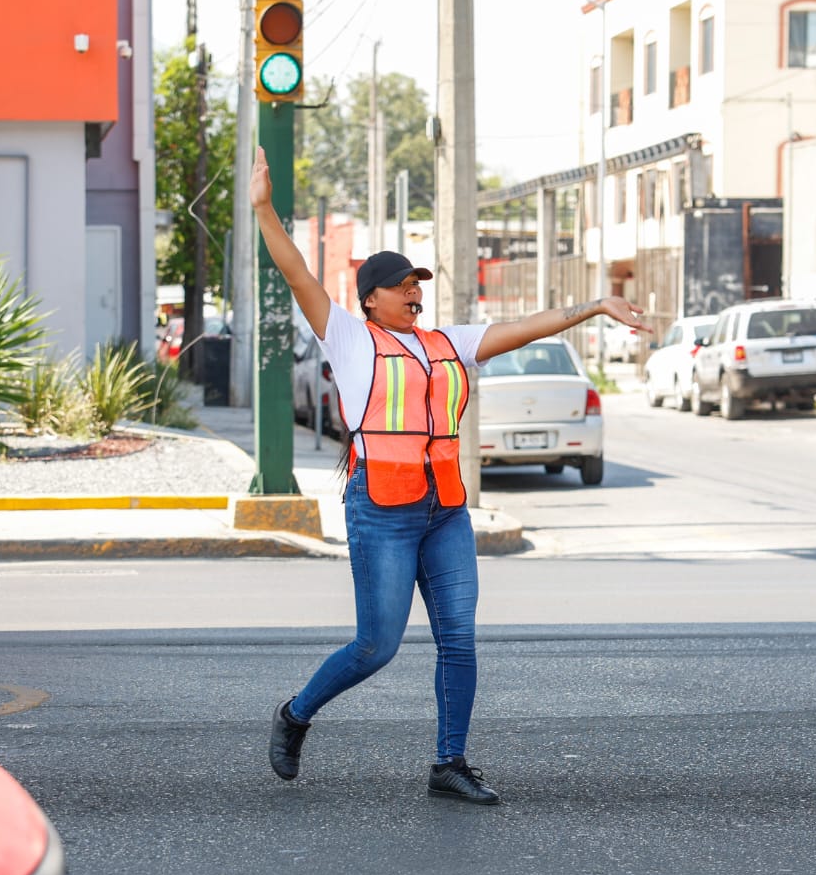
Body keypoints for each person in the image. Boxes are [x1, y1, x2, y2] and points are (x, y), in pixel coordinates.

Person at [252, 146, 648, 805]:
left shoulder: (447, 343)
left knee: (458, 639)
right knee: (376, 646)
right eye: (403, 284)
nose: (416, 292)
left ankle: (449, 764)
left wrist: (596, 306)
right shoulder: (348, 338)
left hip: (444, 511)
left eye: (419, 284)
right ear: (371, 299)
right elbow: (296, 273)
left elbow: (523, 328)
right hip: (380, 509)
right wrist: (265, 209)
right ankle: (295, 714)